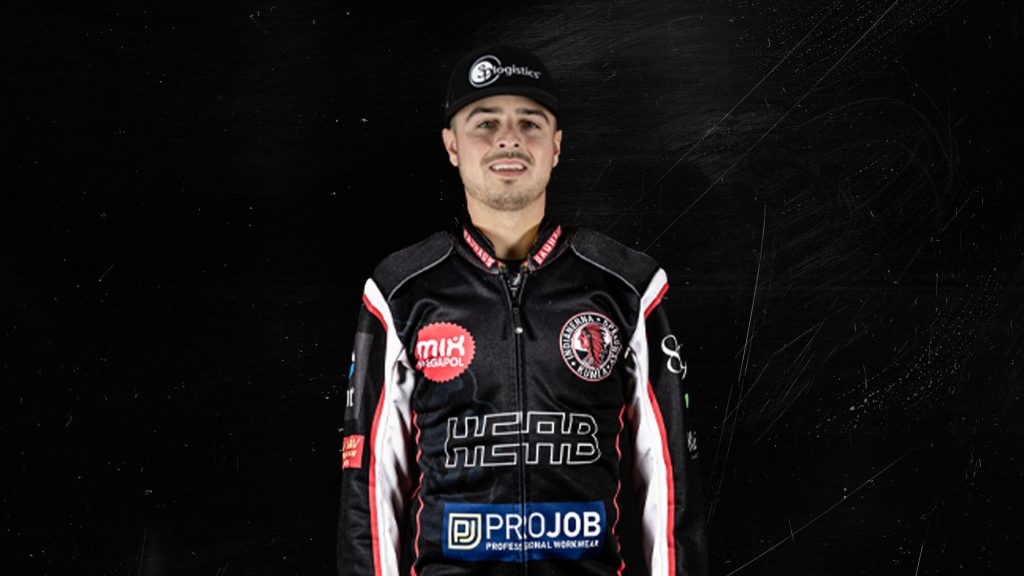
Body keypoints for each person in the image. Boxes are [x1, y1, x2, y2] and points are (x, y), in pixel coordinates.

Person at [337, 44, 708, 576]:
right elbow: (369, 489)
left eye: (530, 123)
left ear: (556, 146)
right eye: (485, 122)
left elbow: (670, 487)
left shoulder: (629, 284)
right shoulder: (399, 289)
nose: (508, 138)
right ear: (452, 145)